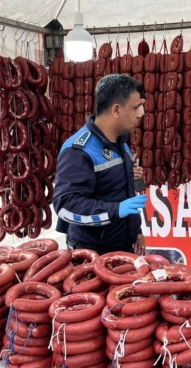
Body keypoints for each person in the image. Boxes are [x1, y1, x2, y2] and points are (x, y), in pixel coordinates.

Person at [53, 74, 147, 255]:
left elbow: (121, 192)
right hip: (91, 252)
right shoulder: (79, 150)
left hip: (122, 246)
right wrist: (115, 210)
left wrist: (136, 230)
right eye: (136, 107)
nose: (142, 113)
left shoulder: (121, 143)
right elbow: (65, 207)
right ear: (117, 110)